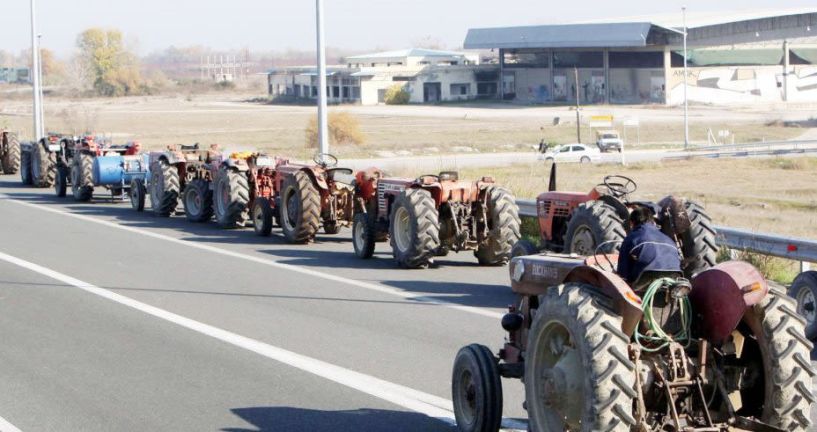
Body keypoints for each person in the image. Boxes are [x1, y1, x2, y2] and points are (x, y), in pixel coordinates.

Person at [617, 206, 682, 289]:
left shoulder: (632, 238)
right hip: (674, 278)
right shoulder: (668, 239)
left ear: (632, 223)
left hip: (645, 281)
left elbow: (623, 272)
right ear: (653, 222)